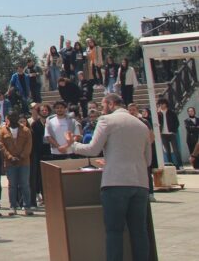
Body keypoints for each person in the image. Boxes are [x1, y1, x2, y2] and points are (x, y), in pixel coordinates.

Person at [64, 93, 152, 261]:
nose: (101, 110)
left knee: (114, 232)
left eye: (103, 106)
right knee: (139, 231)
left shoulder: (107, 121)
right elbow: (147, 160)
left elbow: (92, 149)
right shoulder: (141, 125)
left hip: (116, 182)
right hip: (140, 182)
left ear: (111, 104)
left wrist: (72, 145)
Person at [0, 112, 33, 216]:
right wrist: (9, 157)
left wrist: (21, 156)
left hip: (24, 162)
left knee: (25, 185)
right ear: (8, 118)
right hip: (10, 162)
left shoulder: (26, 130)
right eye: (11, 116)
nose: (13, 118)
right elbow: (1, 145)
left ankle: (27, 206)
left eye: (15, 116)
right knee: (12, 185)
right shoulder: (3, 130)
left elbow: (29, 145)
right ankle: (13, 206)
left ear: (18, 117)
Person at [156, 99, 182, 168]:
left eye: (162, 104)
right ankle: (171, 165)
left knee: (176, 150)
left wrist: (173, 130)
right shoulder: (158, 114)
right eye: (160, 104)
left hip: (171, 134)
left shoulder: (172, 113)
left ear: (166, 104)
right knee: (167, 151)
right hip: (163, 134)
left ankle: (180, 165)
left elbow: (177, 122)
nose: (161, 105)